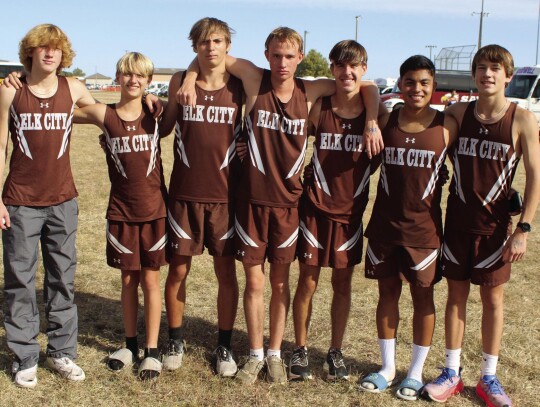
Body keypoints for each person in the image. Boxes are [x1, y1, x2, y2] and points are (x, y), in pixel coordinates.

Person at [179, 27, 383, 384]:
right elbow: (211, 56)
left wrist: (369, 121)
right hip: (250, 202)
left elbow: (364, 85)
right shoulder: (255, 79)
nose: (282, 63)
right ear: (265, 54)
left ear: (300, 58)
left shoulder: (311, 89)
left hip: (290, 206)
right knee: (254, 283)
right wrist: (190, 77)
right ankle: (256, 353)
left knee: (280, 283)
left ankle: (275, 352)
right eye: (275, 55)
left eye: (289, 56)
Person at [423, 45, 540, 407]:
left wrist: (524, 228)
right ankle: (452, 372)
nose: (487, 74)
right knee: (456, 297)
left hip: (495, 230)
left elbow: (535, 175)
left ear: (508, 75)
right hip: (457, 223)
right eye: (481, 68)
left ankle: (489, 377)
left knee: (492, 300)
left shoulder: (521, 119)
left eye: (495, 68)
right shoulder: (457, 112)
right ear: (473, 75)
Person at [0, 23, 96, 388]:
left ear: (63, 54)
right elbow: (0, 148)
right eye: (42, 47)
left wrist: (148, 104)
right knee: (20, 281)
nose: (50, 53)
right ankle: (24, 355)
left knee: (62, 279)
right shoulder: (11, 92)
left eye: (56, 48)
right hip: (21, 202)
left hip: (62, 201)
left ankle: (61, 352)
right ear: (31, 52)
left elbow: (107, 115)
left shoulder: (73, 88)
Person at [358, 55, 458, 401]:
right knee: (387, 294)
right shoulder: (387, 119)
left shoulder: (447, 124)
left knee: (422, 297)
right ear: (400, 84)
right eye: (410, 82)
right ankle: (387, 368)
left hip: (424, 231)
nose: (417, 89)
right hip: (385, 226)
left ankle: (415, 373)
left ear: (433, 87)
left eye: (424, 83)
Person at [72, 52, 168, 380]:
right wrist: (20, 84)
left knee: (151, 280)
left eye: (140, 75)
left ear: (148, 80)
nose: (133, 80)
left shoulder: (157, 113)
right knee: (128, 279)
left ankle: (153, 351)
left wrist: (159, 100)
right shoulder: (105, 114)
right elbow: (63, 107)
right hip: (121, 212)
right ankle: (130, 344)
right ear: (117, 77)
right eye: (127, 74)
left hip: (155, 211)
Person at [289, 40, 379, 382]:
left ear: (364, 70)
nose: (348, 71)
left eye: (354, 66)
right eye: (341, 65)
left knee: (342, 284)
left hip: (351, 214)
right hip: (314, 209)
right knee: (307, 281)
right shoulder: (319, 108)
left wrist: (372, 120)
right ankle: (299, 349)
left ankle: (335, 351)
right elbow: (293, 138)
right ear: (332, 69)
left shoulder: (377, 113)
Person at [159, 17, 243, 377]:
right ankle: (175, 339)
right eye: (205, 41)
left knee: (226, 272)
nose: (211, 47)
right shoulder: (180, 81)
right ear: (195, 47)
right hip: (184, 194)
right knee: (178, 269)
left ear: (228, 46)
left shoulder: (241, 86)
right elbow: (163, 128)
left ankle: (224, 346)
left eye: (218, 40)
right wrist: (146, 110)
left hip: (226, 197)